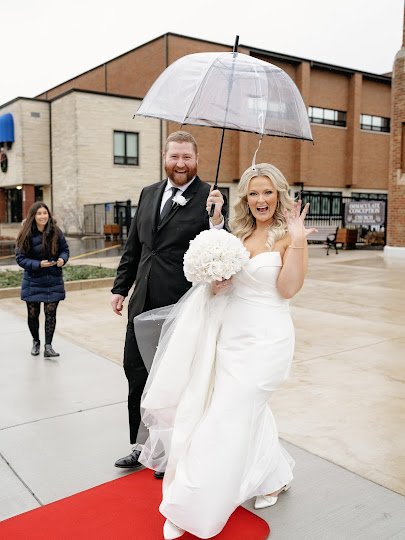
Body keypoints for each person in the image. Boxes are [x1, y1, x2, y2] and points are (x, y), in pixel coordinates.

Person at [137, 163, 316, 539]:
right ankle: (272, 479)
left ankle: (191, 505)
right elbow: (223, 290)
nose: (260, 199)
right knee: (244, 411)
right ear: (246, 199)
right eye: (253, 193)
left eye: (267, 192)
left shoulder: (288, 236)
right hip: (230, 337)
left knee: (225, 416)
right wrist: (216, 275)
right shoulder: (238, 235)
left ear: (279, 194)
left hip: (267, 340)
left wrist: (298, 239)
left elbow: (287, 290)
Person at [111, 130, 225, 473]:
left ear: (197, 160)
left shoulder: (210, 197)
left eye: (186, 157)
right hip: (141, 301)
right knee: (136, 371)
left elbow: (220, 249)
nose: (180, 163)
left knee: (176, 379)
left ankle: (171, 450)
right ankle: (141, 446)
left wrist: (217, 219)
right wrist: (120, 288)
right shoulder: (148, 193)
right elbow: (134, 246)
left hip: (181, 306)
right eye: (174, 156)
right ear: (165, 157)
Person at [15, 202, 69, 358]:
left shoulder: (56, 232)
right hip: (33, 280)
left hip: (53, 279)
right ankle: (36, 342)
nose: (43, 216)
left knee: (50, 314)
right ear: (33, 216)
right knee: (33, 314)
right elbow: (20, 259)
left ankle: (48, 346)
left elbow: (65, 250)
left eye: (45, 213)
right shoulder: (25, 233)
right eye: (39, 213)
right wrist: (38, 264)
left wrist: (62, 259)